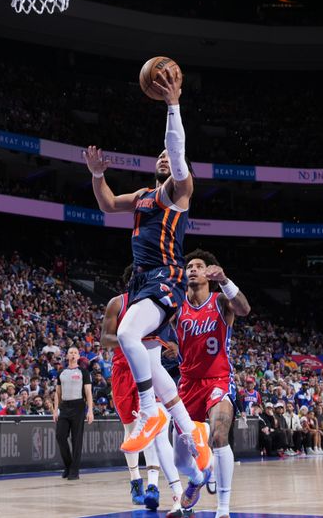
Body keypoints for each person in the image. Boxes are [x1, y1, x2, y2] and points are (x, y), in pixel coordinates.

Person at [83, 65, 209, 474]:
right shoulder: (141, 195)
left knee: (124, 333)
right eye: (158, 157)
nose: (163, 160)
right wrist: (98, 175)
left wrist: (173, 105)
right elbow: (105, 204)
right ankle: (193, 436)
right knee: (154, 368)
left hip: (165, 276)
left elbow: (175, 150)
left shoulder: (178, 192)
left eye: (168, 157)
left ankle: (150, 411)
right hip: (141, 283)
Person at [100, 268, 185, 516]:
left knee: (152, 427)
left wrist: (173, 346)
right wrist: (132, 339)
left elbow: (175, 335)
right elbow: (106, 338)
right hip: (123, 370)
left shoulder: (160, 304)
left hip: (149, 368)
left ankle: (152, 486)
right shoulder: (118, 302)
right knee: (131, 428)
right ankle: (135, 480)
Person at [174, 249, 251, 517]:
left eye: (198, 265)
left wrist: (226, 280)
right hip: (187, 384)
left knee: (219, 436)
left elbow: (244, 308)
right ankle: (197, 478)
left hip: (218, 379)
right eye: (189, 266)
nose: (193, 269)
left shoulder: (220, 301)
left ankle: (223, 509)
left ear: (208, 272)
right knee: (180, 460)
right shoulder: (176, 305)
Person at [53, 347, 94, 481]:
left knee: (77, 440)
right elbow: (57, 393)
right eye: (70, 352)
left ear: (78, 356)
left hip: (78, 406)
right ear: (67, 356)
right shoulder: (62, 372)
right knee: (60, 436)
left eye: (75, 353)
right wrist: (55, 409)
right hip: (64, 406)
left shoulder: (84, 372)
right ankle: (68, 465)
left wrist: (90, 410)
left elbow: (88, 392)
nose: (73, 354)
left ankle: (74, 470)